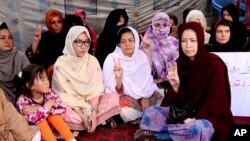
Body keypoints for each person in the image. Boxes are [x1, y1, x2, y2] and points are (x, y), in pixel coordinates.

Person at [136, 22, 234, 141]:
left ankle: (156, 135)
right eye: (184, 41)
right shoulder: (180, 63)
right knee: (152, 112)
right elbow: (176, 103)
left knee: (197, 129)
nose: (188, 45)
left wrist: (194, 117)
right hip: (182, 114)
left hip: (206, 118)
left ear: (200, 40)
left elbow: (217, 104)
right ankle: (171, 133)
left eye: (193, 40)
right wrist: (176, 87)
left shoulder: (214, 64)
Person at [52, 26, 121, 132]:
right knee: (60, 110)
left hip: (92, 103)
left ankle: (92, 121)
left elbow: (96, 91)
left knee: (113, 98)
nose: (83, 46)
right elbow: (63, 95)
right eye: (79, 42)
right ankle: (99, 121)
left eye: (86, 42)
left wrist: (93, 113)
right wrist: (83, 116)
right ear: (70, 42)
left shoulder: (92, 61)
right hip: (73, 106)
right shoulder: (61, 64)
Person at [103, 26, 163, 123]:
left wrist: (144, 97)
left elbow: (147, 80)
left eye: (131, 40)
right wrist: (119, 78)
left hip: (145, 95)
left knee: (164, 96)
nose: (127, 44)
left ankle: (144, 114)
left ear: (136, 42)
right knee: (124, 112)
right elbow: (111, 89)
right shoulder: (112, 59)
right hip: (125, 96)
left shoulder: (141, 55)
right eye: (123, 42)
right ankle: (147, 113)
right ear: (119, 44)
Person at [16, 64, 76, 141]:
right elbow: (33, 119)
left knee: (54, 116)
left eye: (47, 78)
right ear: (30, 85)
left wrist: (41, 108)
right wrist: (47, 106)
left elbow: (62, 107)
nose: (47, 82)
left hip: (53, 130)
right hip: (36, 133)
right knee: (41, 121)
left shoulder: (49, 93)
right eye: (42, 80)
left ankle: (71, 139)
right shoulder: (22, 101)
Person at [143, 12, 179, 88]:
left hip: (174, 84)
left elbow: (180, 65)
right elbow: (144, 71)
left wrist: (161, 79)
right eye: (157, 25)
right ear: (152, 26)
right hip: (152, 86)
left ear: (169, 26)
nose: (161, 28)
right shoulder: (146, 44)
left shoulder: (174, 42)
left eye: (165, 25)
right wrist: (148, 53)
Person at [0, 22, 30, 105]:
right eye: (2, 38)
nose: (7, 41)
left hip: (23, 101)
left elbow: (31, 78)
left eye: (10, 37)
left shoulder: (20, 56)